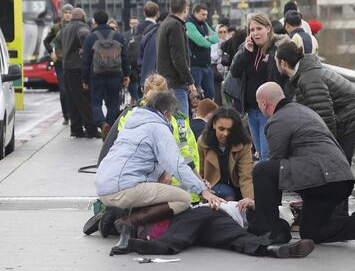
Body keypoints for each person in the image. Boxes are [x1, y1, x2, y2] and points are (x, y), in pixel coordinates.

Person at [245, 82, 355, 247]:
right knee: (311, 232)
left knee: (261, 169)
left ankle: (271, 232)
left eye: (258, 104)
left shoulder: (277, 120)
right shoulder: (304, 110)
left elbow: (273, 167)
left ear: (263, 103)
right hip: (341, 179)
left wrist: (263, 207)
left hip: (322, 177)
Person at [95, 90, 224, 255]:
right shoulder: (158, 127)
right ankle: (128, 222)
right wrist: (203, 191)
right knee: (182, 199)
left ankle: (115, 216)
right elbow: (176, 163)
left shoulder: (134, 122)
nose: (172, 119)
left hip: (104, 185)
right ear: (165, 113)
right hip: (124, 188)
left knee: (156, 188)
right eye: (171, 115)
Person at [275, 42, 355, 165]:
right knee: (336, 163)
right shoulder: (304, 73)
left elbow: (325, 117)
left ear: (283, 63)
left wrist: (327, 147)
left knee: (339, 163)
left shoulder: (309, 79)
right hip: (347, 113)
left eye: (275, 60)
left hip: (352, 117)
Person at [126, 204, 316, 258]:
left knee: (237, 237)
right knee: (236, 236)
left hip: (219, 218)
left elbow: (279, 228)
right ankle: (272, 249)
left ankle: (273, 249)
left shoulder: (284, 217)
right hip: (211, 211)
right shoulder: (282, 209)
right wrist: (252, 202)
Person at [229, 13, 288, 161]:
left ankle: (269, 183)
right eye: (252, 30)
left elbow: (284, 79)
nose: (255, 33)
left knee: (266, 153)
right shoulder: (247, 48)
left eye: (259, 28)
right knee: (260, 152)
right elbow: (235, 72)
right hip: (251, 109)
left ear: (268, 28)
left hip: (268, 110)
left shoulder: (278, 48)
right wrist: (246, 53)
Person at [81, 10, 130, 140]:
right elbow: (125, 58)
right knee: (113, 104)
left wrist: (84, 79)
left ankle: (102, 124)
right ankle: (109, 129)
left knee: (96, 103)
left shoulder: (90, 38)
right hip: (115, 75)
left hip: (96, 76)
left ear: (95, 22)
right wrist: (126, 75)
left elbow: (85, 61)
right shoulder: (118, 37)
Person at [198, 107, 254, 206]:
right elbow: (200, 172)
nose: (225, 134)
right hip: (214, 186)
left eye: (230, 130)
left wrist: (249, 200)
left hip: (238, 185)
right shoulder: (203, 142)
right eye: (221, 129)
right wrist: (202, 192)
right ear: (214, 125)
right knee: (227, 193)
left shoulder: (243, 144)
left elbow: (246, 175)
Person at [58, 7, 99, 138]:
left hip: (67, 68)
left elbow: (56, 41)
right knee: (84, 99)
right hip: (78, 68)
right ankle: (91, 129)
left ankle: (75, 129)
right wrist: (84, 48)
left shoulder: (64, 29)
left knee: (72, 100)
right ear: (82, 17)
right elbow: (84, 35)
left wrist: (60, 54)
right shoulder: (82, 26)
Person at [157, 0, 197, 117]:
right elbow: (178, 58)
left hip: (166, 82)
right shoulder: (175, 25)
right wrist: (190, 83)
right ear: (186, 9)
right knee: (181, 125)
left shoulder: (165, 23)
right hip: (175, 84)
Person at [43, 3, 72, 125]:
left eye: (70, 12)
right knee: (63, 90)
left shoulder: (76, 27)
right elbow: (46, 41)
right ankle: (66, 115)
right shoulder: (56, 27)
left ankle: (73, 113)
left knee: (73, 90)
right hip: (59, 62)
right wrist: (51, 53)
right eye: (66, 12)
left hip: (72, 62)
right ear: (62, 14)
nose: (68, 15)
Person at [186, 3, 218, 100]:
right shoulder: (189, 24)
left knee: (210, 93)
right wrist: (208, 40)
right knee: (195, 96)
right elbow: (200, 42)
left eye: (206, 15)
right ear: (195, 13)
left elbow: (216, 38)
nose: (205, 17)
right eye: (203, 14)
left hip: (206, 64)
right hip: (195, 65)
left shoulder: (204, 24)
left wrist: (206, 38)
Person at [138, 11, 168, 86]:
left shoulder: (148, 32)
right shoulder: (165, 33)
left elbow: (140, 57)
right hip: (161, 78)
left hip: (148, 77)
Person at [210, 24, 230, 105]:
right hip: (217, 72)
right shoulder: (214, 43)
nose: (223, 34)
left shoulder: (230, 42)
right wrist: (219, 52)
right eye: (220, 32)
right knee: (217, 95)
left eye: (225, 32)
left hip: (228, 71)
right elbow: (212, 57)